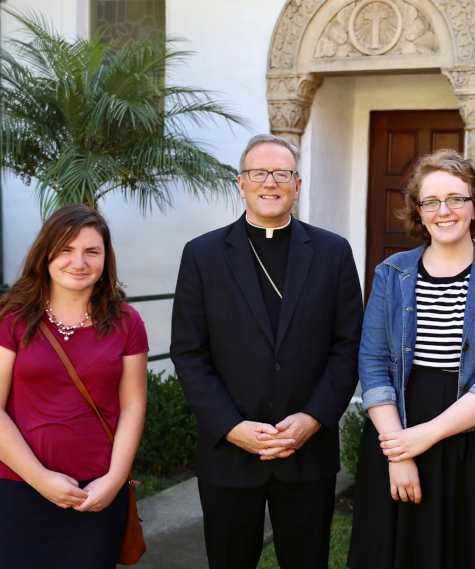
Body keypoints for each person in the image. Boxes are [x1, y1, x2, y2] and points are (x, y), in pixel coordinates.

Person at [171, 134, 363, 569]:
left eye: (282, 174)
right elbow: (188, 352)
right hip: (230, 452)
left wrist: (312, 419)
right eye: (259, 173)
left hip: (306, 452)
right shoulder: (202, 255)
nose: (270, 183)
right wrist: (231, 426)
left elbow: (348, 345)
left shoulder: (333, 253)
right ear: (241, 184)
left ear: (298, 184)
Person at [346, 149, 475, 569]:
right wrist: (401, 452)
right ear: (419, 211)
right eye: (430, 201)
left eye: (456, 198)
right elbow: (373, 365)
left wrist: (427, 435)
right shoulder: (391, 273)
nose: (443, 210)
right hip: (398, 434)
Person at [0, 205, 148, 569]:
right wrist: (42, 480)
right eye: (66, 249)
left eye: (91, 251)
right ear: (46, 253)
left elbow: (133, 405)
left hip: (95, 491)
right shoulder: (10, 318)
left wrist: (114, 480)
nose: (78, 262)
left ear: (105, 258)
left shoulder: (127, 322)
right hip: (17, 485)